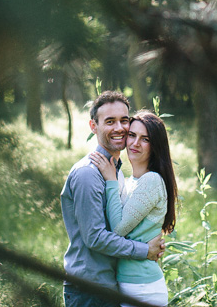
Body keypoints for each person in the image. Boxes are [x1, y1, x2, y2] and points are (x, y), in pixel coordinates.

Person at [61, 92, 166, 307]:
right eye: (110, 121)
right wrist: (145, 251)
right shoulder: (88, 174)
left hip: (111, 286)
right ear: (93, 126)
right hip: (90, 289)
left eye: (123, 120)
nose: (119, 128)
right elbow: (96, 238)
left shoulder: (116, 173)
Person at [89, 110, 178, 307]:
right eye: (132, 135)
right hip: (131, 286)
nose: (135, 143)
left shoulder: (151, 181)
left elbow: (118, 229)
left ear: (155, 146)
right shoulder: (133, 181)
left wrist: (110, 179)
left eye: (145, 139)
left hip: (143, 289)